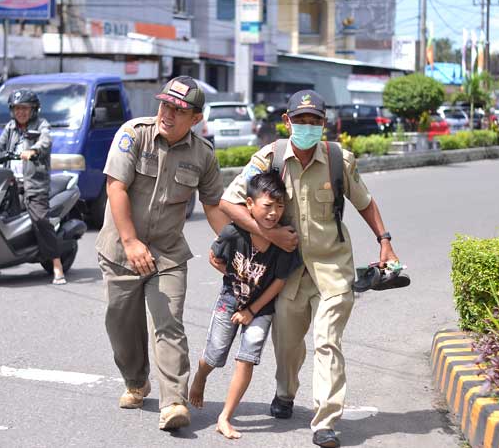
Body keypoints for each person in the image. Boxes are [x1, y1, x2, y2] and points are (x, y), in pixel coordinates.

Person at [218, 90, 400, 448]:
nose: (307, 127)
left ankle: (325, 421)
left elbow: (364, 202)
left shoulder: (338, 160)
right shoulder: (269, 158)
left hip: (333, 267)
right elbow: (230, 201)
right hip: (288, 271)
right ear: (287, 123)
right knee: (287, 341)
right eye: (300, 120)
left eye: (314, 121)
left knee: (328, 340)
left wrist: (385, 239)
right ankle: (285, 392)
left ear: (323, 125)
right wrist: (266, 231)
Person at [95, 76, 229, 431]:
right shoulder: (134, 134)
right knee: (120, 323)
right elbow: (116, 187)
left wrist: (232, 247)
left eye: (179, 110)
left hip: (167, 254)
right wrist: (130, 242)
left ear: (196, 118)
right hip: (120, 249)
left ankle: (173, 402)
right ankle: (136, 381)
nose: (167, 114)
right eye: (165, 105)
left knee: (169, 322)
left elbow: (214, 205)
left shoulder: (203, 154)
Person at [189, 171, 302, 440]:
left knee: (247, 358)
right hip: (230, 300)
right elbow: (214, 258)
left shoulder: (285, 241)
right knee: (215, 355)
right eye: (267, 206)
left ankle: (224, 417)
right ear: (250, 204)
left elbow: (279, 282)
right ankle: (201, 376)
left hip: (261, 308)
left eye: (279, 206)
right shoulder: (235, 231)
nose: (274, 213)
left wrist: (251, 310)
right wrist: (235, 278)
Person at [0, 89, 65, 285]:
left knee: (40, 220)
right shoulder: (10, 127)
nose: (21, 112)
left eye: (25, 108)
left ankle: (57, 265)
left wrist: (33, 150)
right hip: (9, 183)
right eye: (17, 108)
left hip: (34, 184)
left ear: (34, 109)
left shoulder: (41, 124)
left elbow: (46, 140)